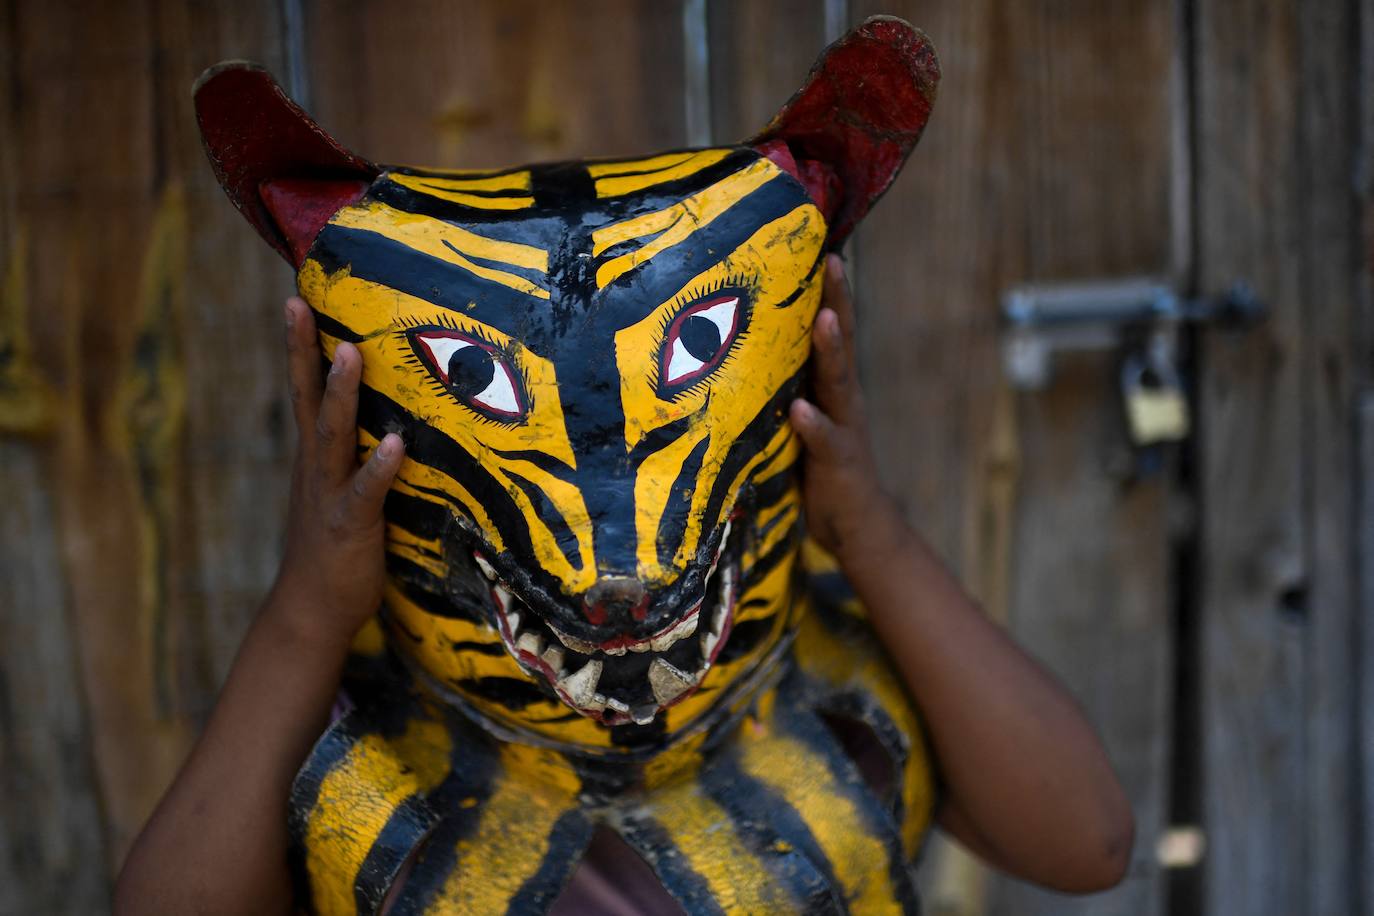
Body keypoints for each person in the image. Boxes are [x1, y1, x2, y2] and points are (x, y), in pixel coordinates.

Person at [114, 255, 1133, 914]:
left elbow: (1088, 841)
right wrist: (309, 610)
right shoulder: (363, 752)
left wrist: (870, 532)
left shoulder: (838, 699)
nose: (616, 572)